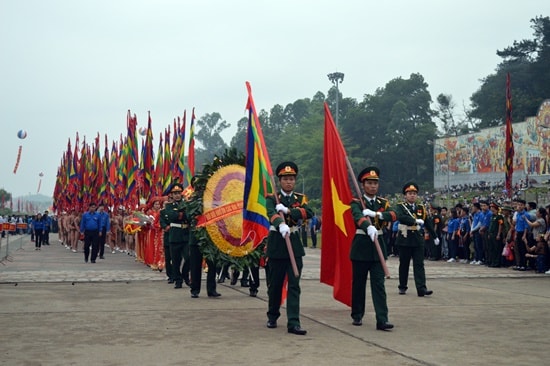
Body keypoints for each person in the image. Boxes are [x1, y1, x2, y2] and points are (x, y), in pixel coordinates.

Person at [265, 161, 313, 335]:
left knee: (294, 285)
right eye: (285, 179)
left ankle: (294, 322)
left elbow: (308, 212)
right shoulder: (272, 198)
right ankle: (272, 315)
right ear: (279, 180)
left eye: (292, 179)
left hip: (293, 242)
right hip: (277, 243)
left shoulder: (300, 199)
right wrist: (280, 223)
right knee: (275, 285)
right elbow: (270, 213)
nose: (289, 182)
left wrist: (288, 211)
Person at [349, 166, 395, 330]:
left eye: (375, 183)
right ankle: (357, 314)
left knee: (378, 285)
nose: (373, 186)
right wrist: (368, 226)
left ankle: (382, 319)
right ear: (363, 185)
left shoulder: (383, 203)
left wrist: (377, 215)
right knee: (359, 284)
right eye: (369, 183)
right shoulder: (356, 202)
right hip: (361, 246)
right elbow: (357, 216)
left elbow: (393, 215)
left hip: (378, 249)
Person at [394, 182, 435, 297]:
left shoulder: (421, 208)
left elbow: (428, 223)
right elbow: (401, 217)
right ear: (405, 195)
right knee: (404, 264)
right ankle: (402, 286)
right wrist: (414, 221)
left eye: (414, 193)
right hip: (405, 238)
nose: (412, 195)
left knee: (419, 264)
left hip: (417, 239)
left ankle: (421, 288)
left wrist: (434, 236)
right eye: (410, 193)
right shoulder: (401, 206)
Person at [160, 183, 191, 289]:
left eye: (179, 193)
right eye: (175, 193)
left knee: (189, 257)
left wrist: (181, 214)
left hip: (186, 234)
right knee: (175, 260)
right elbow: (172, 217)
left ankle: (185, 274)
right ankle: (178, 280)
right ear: (171, 195)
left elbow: (189, 216)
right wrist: (182, 214)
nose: (177, 195)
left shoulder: (187, 204)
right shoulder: (168, 206)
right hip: (174, 235)